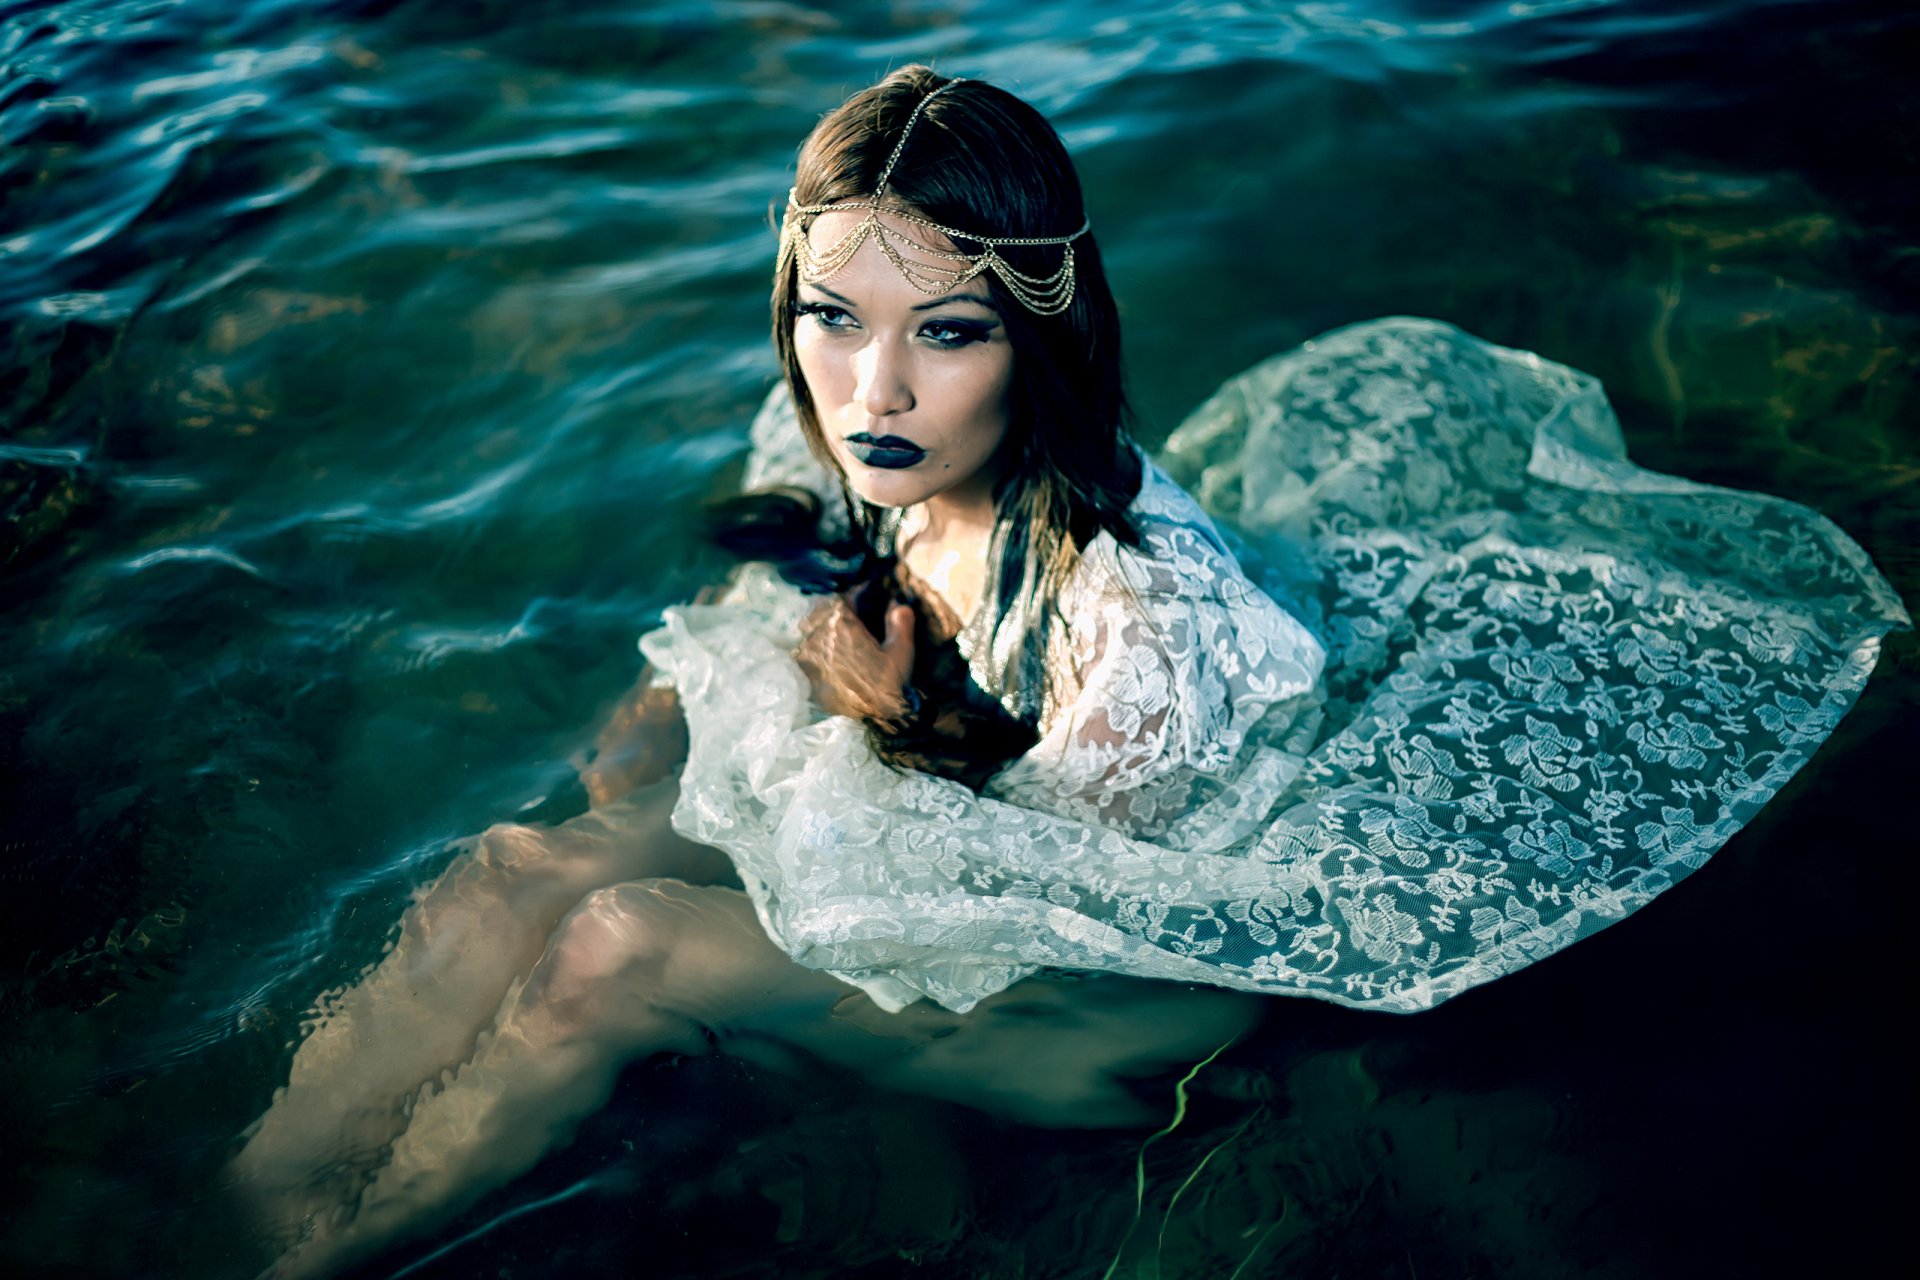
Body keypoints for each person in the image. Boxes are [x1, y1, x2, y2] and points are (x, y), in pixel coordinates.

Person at [230, 66, 1910, 1278]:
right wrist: (718, 687)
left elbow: (1033, 915)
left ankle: (308, 1265)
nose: (873, 390)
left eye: (947, 332)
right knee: (508, 867)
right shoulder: (874, 449)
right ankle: (215, 1222)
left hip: (1082, 1001)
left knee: (615, 942)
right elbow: (792, 571)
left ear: (1031, 337)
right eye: (832, 317)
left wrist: (878, 718)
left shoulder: (1137, 621)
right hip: (947, 844)